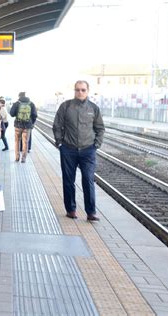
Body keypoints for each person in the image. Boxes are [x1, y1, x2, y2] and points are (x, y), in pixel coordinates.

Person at [52, 80, 105, 221]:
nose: (80, 92)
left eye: (83, 90)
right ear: (74, 91)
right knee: (68, 180)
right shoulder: (66, 106)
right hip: (68, 150)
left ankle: (91, 212)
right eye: (77, 90)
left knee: (88, 179)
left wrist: (96, 145)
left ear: (87, 91)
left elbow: (100, 128)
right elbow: (57, 125)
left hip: (88, 150)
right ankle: (71, 209)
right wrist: (60, 144)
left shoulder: (94, 108)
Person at [9, 92, 37, 163]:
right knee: (25, 142)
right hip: (27, 126)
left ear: (19, 96)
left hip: (18, 126)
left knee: (17, 141)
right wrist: (31, 123)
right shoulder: (31, 104)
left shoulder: (17, 103)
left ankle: (17, 157)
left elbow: (11, 114)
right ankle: (23, 158)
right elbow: (35, 115)